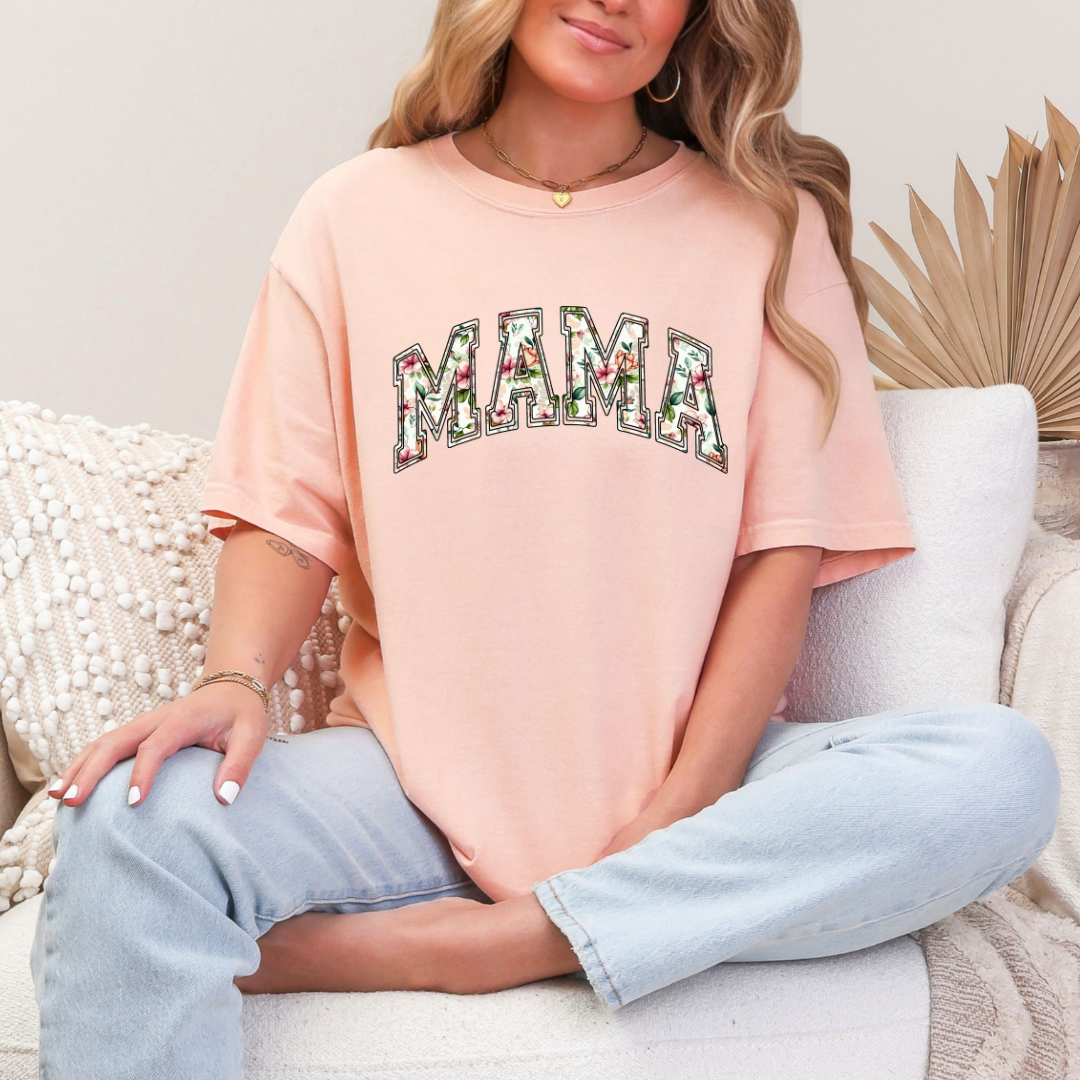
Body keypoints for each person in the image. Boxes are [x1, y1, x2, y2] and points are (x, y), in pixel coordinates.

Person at [31, 0, 1059, 1076]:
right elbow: (288, 510)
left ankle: (479, 948)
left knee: (998, 771)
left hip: (703, 804)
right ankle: (596, 933)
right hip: (407, 794)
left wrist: (670, 825)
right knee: (135, 818)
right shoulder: (355, 215)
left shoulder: (768, 230)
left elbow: (778, 564)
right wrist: (233, 679)